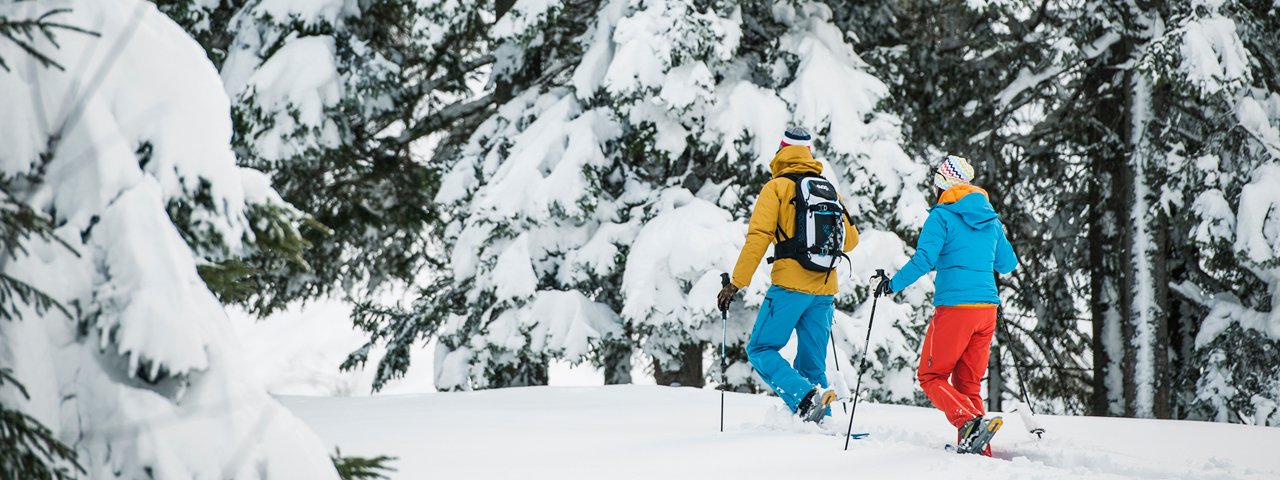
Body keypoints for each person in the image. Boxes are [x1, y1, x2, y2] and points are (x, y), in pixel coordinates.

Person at [873, 154, 1018, 455]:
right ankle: (980, 453)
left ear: (942, 185)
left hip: (956, 309)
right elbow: (1007, 264)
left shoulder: (941, 216)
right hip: (986, 311)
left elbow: (923, 260)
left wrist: (891, 285)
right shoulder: (990, 220)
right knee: (968, 384)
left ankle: (968, 422)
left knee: (931, 376)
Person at [717, 127, 858, 423]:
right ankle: (823, 420)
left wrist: (736, 283)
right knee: (811, 365)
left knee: (760, 349)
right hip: (824, 289)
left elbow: (758, 237)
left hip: (789, 287)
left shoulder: (777, 187)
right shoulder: (826, 188)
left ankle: (805, 399)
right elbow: (852, 239)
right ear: (808, 153)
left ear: (781, 150)